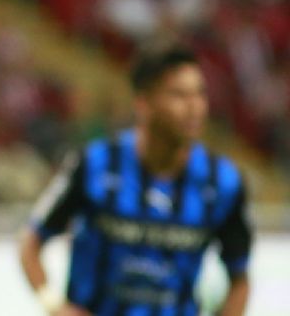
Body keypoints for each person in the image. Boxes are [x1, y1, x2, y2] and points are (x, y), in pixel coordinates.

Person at [19, 43, 252, 316]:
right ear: (144, 104)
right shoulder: (96, 164)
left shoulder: (222, 181)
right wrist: (54, 305)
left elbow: (240, 279)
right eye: (178, 95)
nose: (194, 108)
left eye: (200, 94)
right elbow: (31, 242)